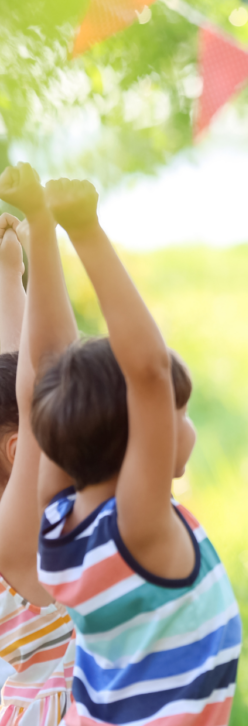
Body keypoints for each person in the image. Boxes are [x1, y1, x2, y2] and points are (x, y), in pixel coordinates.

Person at [0, 163, 242, 725]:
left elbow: (43, 375)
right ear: (141, 441)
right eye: (175, 415)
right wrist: (84, 231)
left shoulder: (59, 526)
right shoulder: (139, 530)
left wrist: (40, 224)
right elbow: (150, 373)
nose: (184, 425)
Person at [0, 206, 76, 725]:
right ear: (18, 450)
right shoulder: (25, 540)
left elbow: (17, 373)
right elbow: (51, 380)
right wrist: (44, 243)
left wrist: (9, 270)